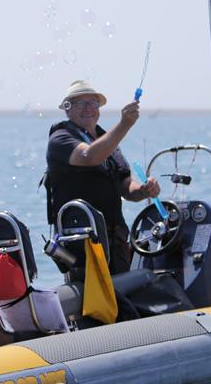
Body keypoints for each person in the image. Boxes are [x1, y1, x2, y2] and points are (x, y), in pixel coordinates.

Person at [44, 79, 161, 275]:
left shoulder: (106, 139)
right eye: (81, 103)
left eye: (93, 103)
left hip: (115, 240)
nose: (88, 108)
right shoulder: (60, 139)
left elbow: (125, 185)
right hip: (82, 243)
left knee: (122, 296)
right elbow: (90, 156)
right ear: (67, 109)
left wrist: (142, 190)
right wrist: (124, 124)